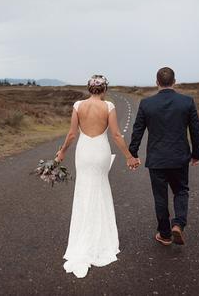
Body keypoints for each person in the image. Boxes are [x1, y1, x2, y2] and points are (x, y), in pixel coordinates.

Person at [55, 75, 139, 278]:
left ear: (89, 88)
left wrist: (62, 152)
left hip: (84, 151)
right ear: (104, 89)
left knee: (84, 189)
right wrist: (129, 156)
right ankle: (101, 238)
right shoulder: (108, 106)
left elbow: (72, 134)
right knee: (100, 188)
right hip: (100, 150)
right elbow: (116, 135)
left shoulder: (78, 105)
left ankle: (81, 238)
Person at [129, 67, 199, 246]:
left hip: (157, 159)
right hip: (179, 157)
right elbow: (195, 130)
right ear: (174, 81)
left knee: (160, 197)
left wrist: (133, 153)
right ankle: (178, 224)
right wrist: (196, 154)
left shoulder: (146, 104)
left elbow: (137, 130)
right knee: (181, 191)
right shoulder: (187, 102)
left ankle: (165, 234)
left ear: (157, 82)